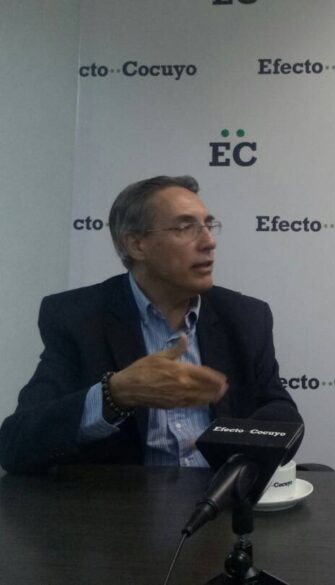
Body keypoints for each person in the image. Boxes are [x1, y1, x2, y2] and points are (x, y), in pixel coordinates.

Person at [0, 176, 302, 474]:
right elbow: (16, 446)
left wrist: (232, 445)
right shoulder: (78, 318)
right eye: (185, 228)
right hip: (125, 502)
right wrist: (115, 394)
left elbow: (282, 411)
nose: (209, 242)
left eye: (208, 226)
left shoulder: (245, 317)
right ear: (136, 244)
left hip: (219, 495)